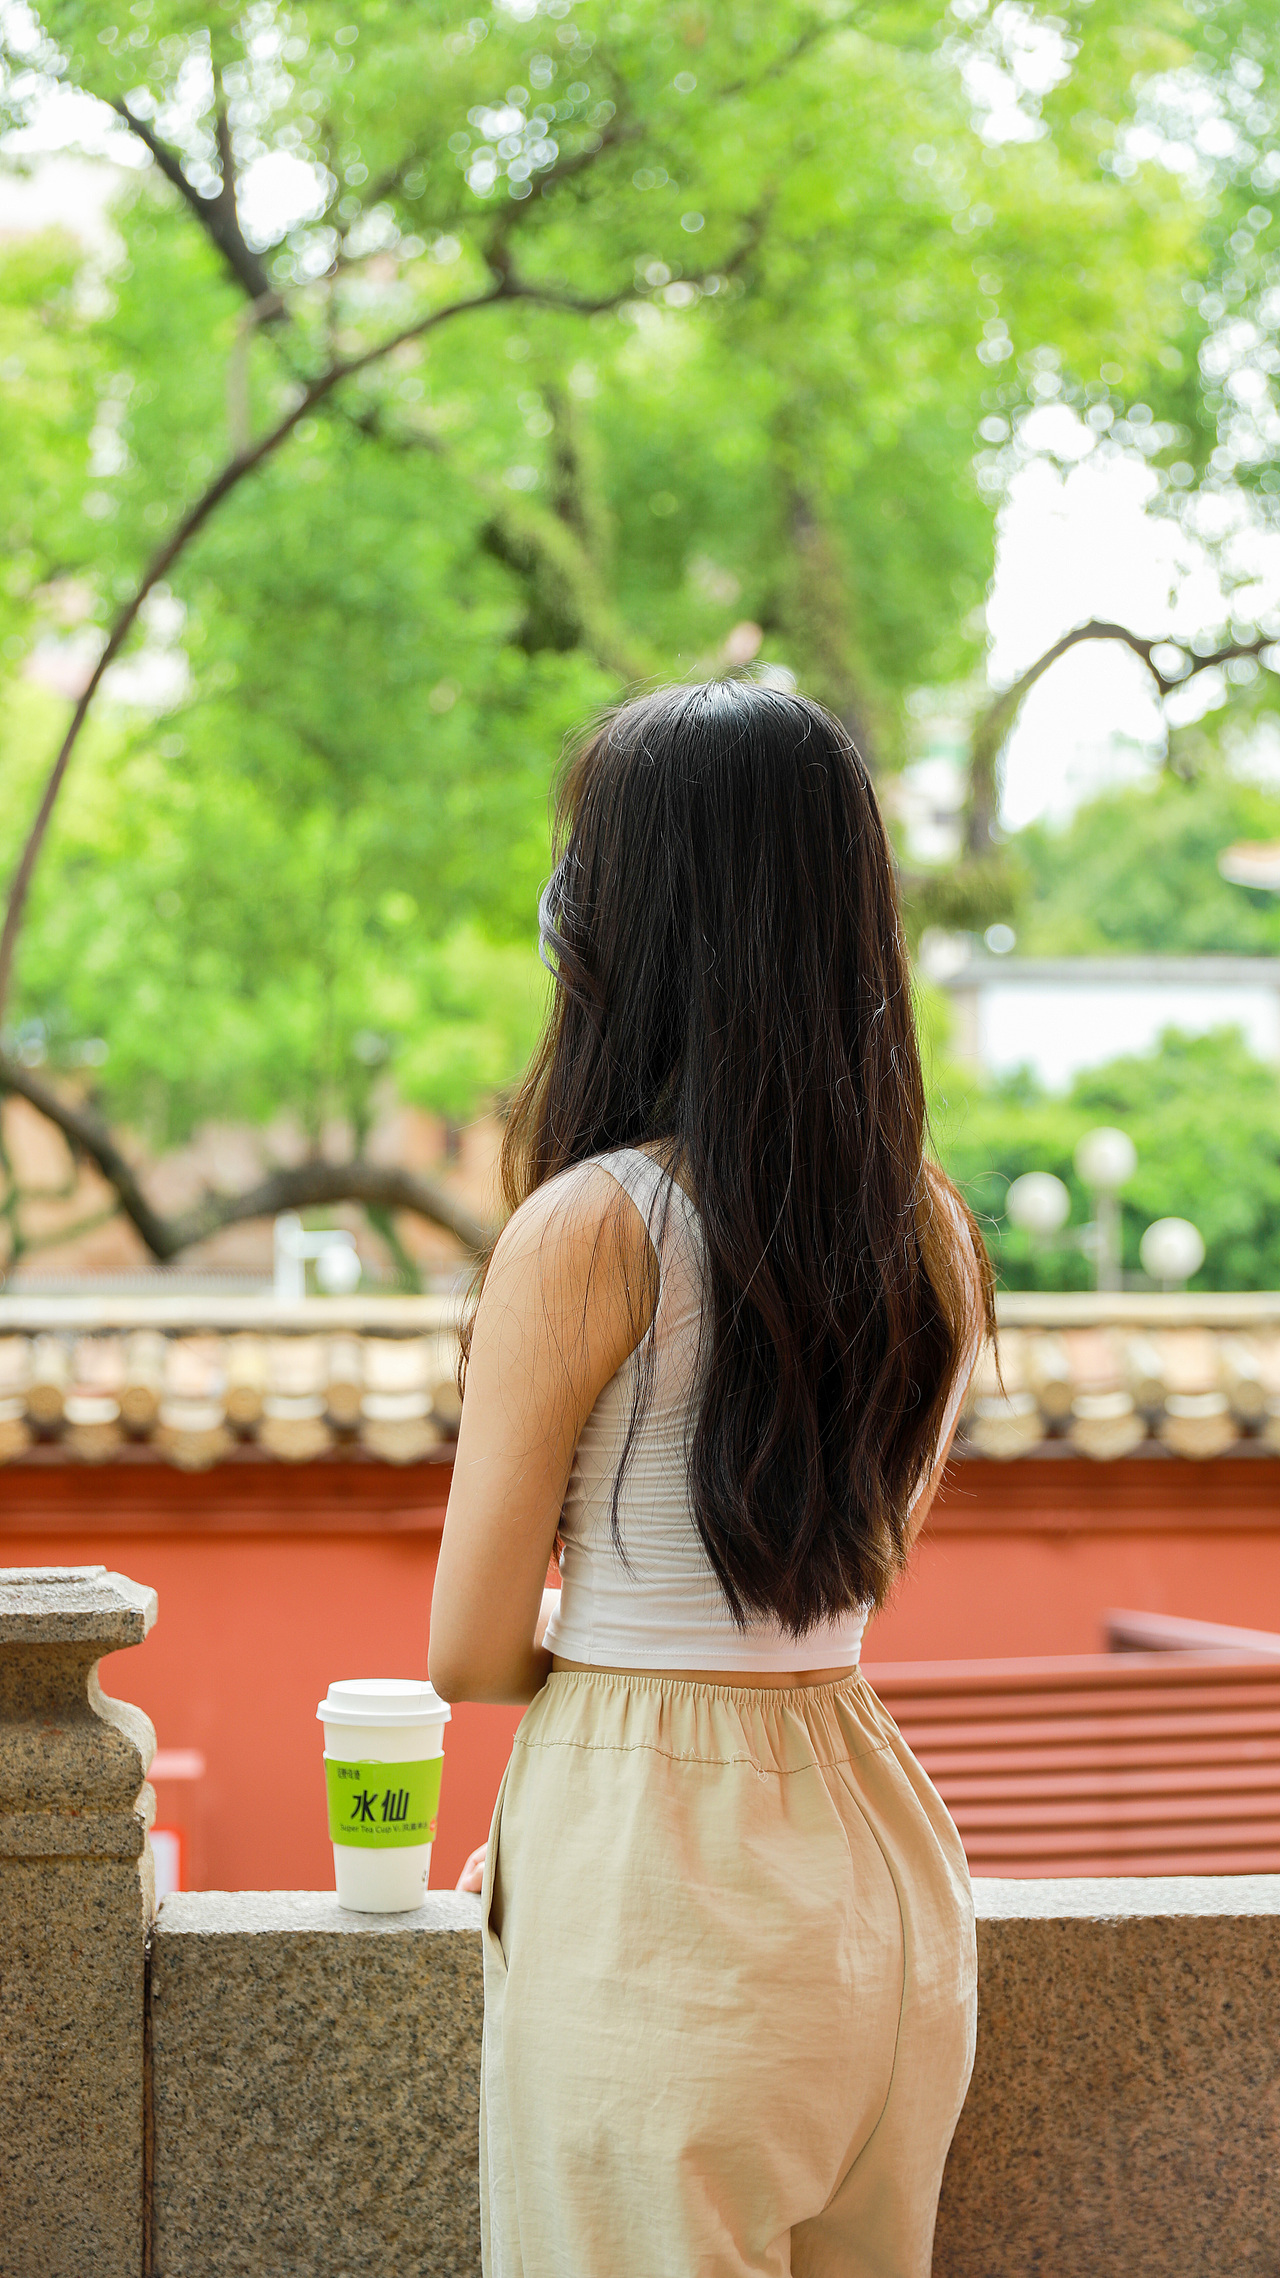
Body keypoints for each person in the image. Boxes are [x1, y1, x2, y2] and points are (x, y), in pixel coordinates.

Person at [429, 681, 993, 2278]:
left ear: (625, 919)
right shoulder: (933, 1234)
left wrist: (601, 1745)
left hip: (660, 1889)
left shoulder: (592, 1227)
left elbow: (468, 1653)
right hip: (879, 1867)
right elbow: (836, 1579)